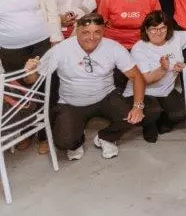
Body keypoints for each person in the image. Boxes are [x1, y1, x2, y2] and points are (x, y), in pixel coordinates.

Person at [34, 13, 149, 160]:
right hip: (71, 102)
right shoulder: (60, 49)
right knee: (64, 142)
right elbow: (34, 78)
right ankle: (77, 139)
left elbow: (136, 76)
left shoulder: (113, 47)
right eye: (86, 32)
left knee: (136, 116)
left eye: (97, 32)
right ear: (77, 30)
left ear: (103, 31)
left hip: (105, 97)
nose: (91, 37)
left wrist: (138, 106)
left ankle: (106, 137)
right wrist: (30, 70)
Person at [127, 11, 186, 142]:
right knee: (153, 111)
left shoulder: (176, 38)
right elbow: (145, 79)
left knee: (182, 113)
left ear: (168, 28)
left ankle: (163, 118)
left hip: (165, 92)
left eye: (162, 28)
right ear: (146, 30)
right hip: (144, 93)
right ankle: (148, 124)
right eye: (154, 29)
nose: (158, 32)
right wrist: (164, 69)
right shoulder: (139, 48)